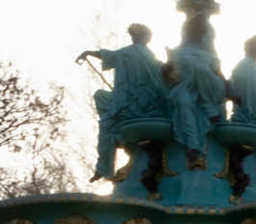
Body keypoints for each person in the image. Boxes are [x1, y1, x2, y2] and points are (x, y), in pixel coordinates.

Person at [79, 24, 168, 180]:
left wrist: (88, 53)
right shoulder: (148, 56)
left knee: (105, 123)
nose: (134, 37)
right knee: (101, 97)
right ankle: (103, 166)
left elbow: (108, 56)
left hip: (130, 103)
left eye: (135, 35)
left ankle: (103, 168)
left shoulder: (128, 53)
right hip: (144, 102)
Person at [166, 14, 227, 167]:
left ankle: (208, 106)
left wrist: (231, 90)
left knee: (201, 69)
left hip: (211, 89)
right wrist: (166, 69)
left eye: (199, 29)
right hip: (187, 88)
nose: (196, 31)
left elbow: (218, 74)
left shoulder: (209, 51)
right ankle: (193, 146)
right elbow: (168, 73)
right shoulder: (178, 51)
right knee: (183, 101)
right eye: (193, 28)